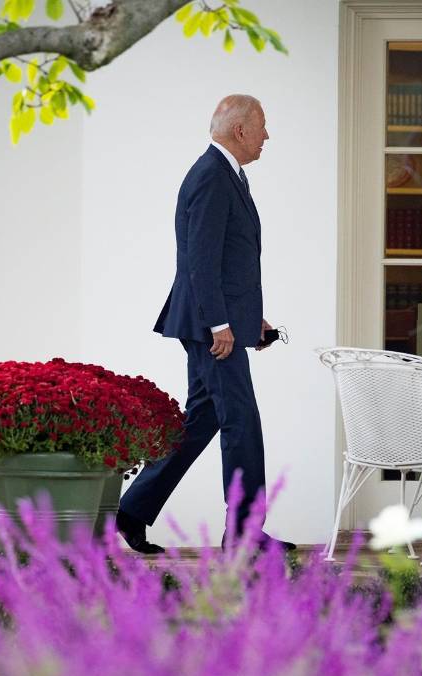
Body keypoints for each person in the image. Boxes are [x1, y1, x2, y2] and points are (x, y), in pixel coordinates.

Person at [114, 95, 294, 554]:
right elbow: (201, 259)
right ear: (240, 131)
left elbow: (229, 260)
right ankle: (244, 535)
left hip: (215, 322)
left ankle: (132, 511)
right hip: (208, 328)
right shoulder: (212, 176)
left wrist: (250, 319)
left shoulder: (226, 175)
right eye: (263, 127)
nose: (267, 136)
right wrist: (219, 324)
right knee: (242, 422)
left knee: (203, 419)